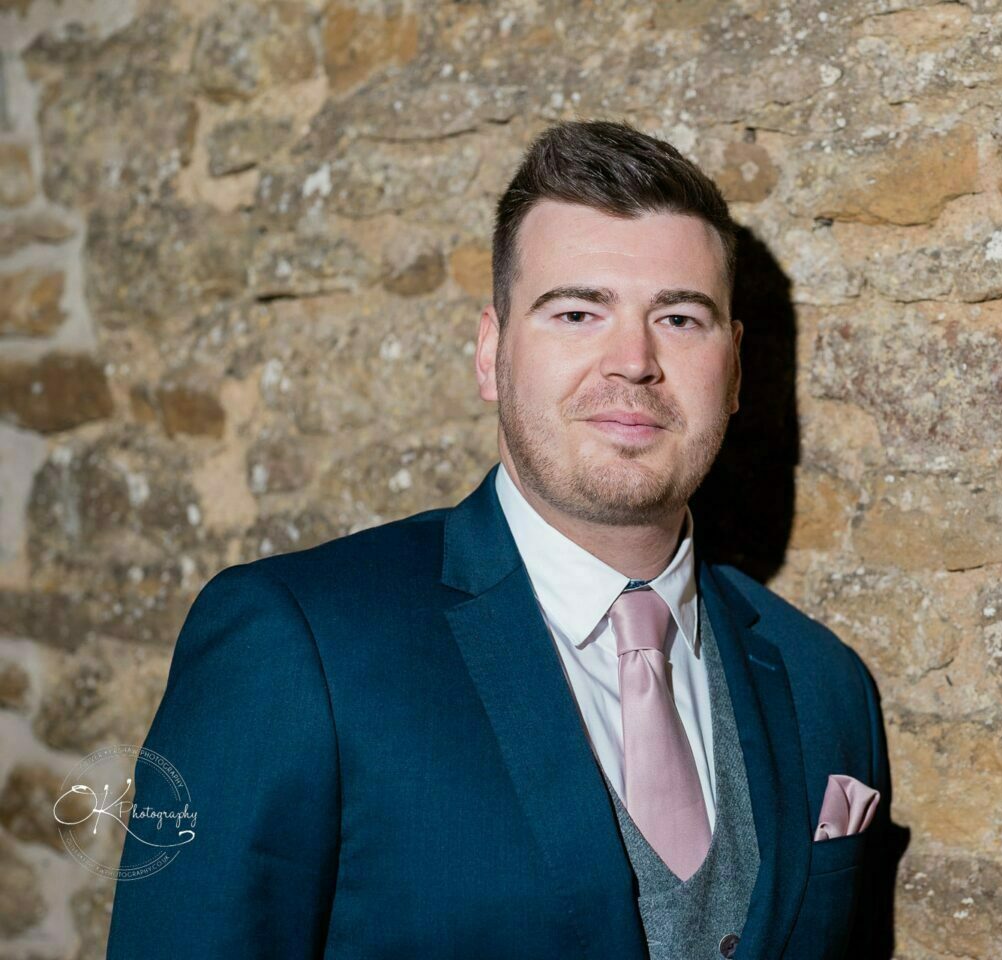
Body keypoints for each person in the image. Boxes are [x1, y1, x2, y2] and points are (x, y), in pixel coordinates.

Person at [105, 119, 895, 959]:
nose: (632, 360)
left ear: (734, 370)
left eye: (680, 318)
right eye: (578, 311)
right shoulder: (293, 646)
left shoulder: (826, 684)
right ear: (491, 353)